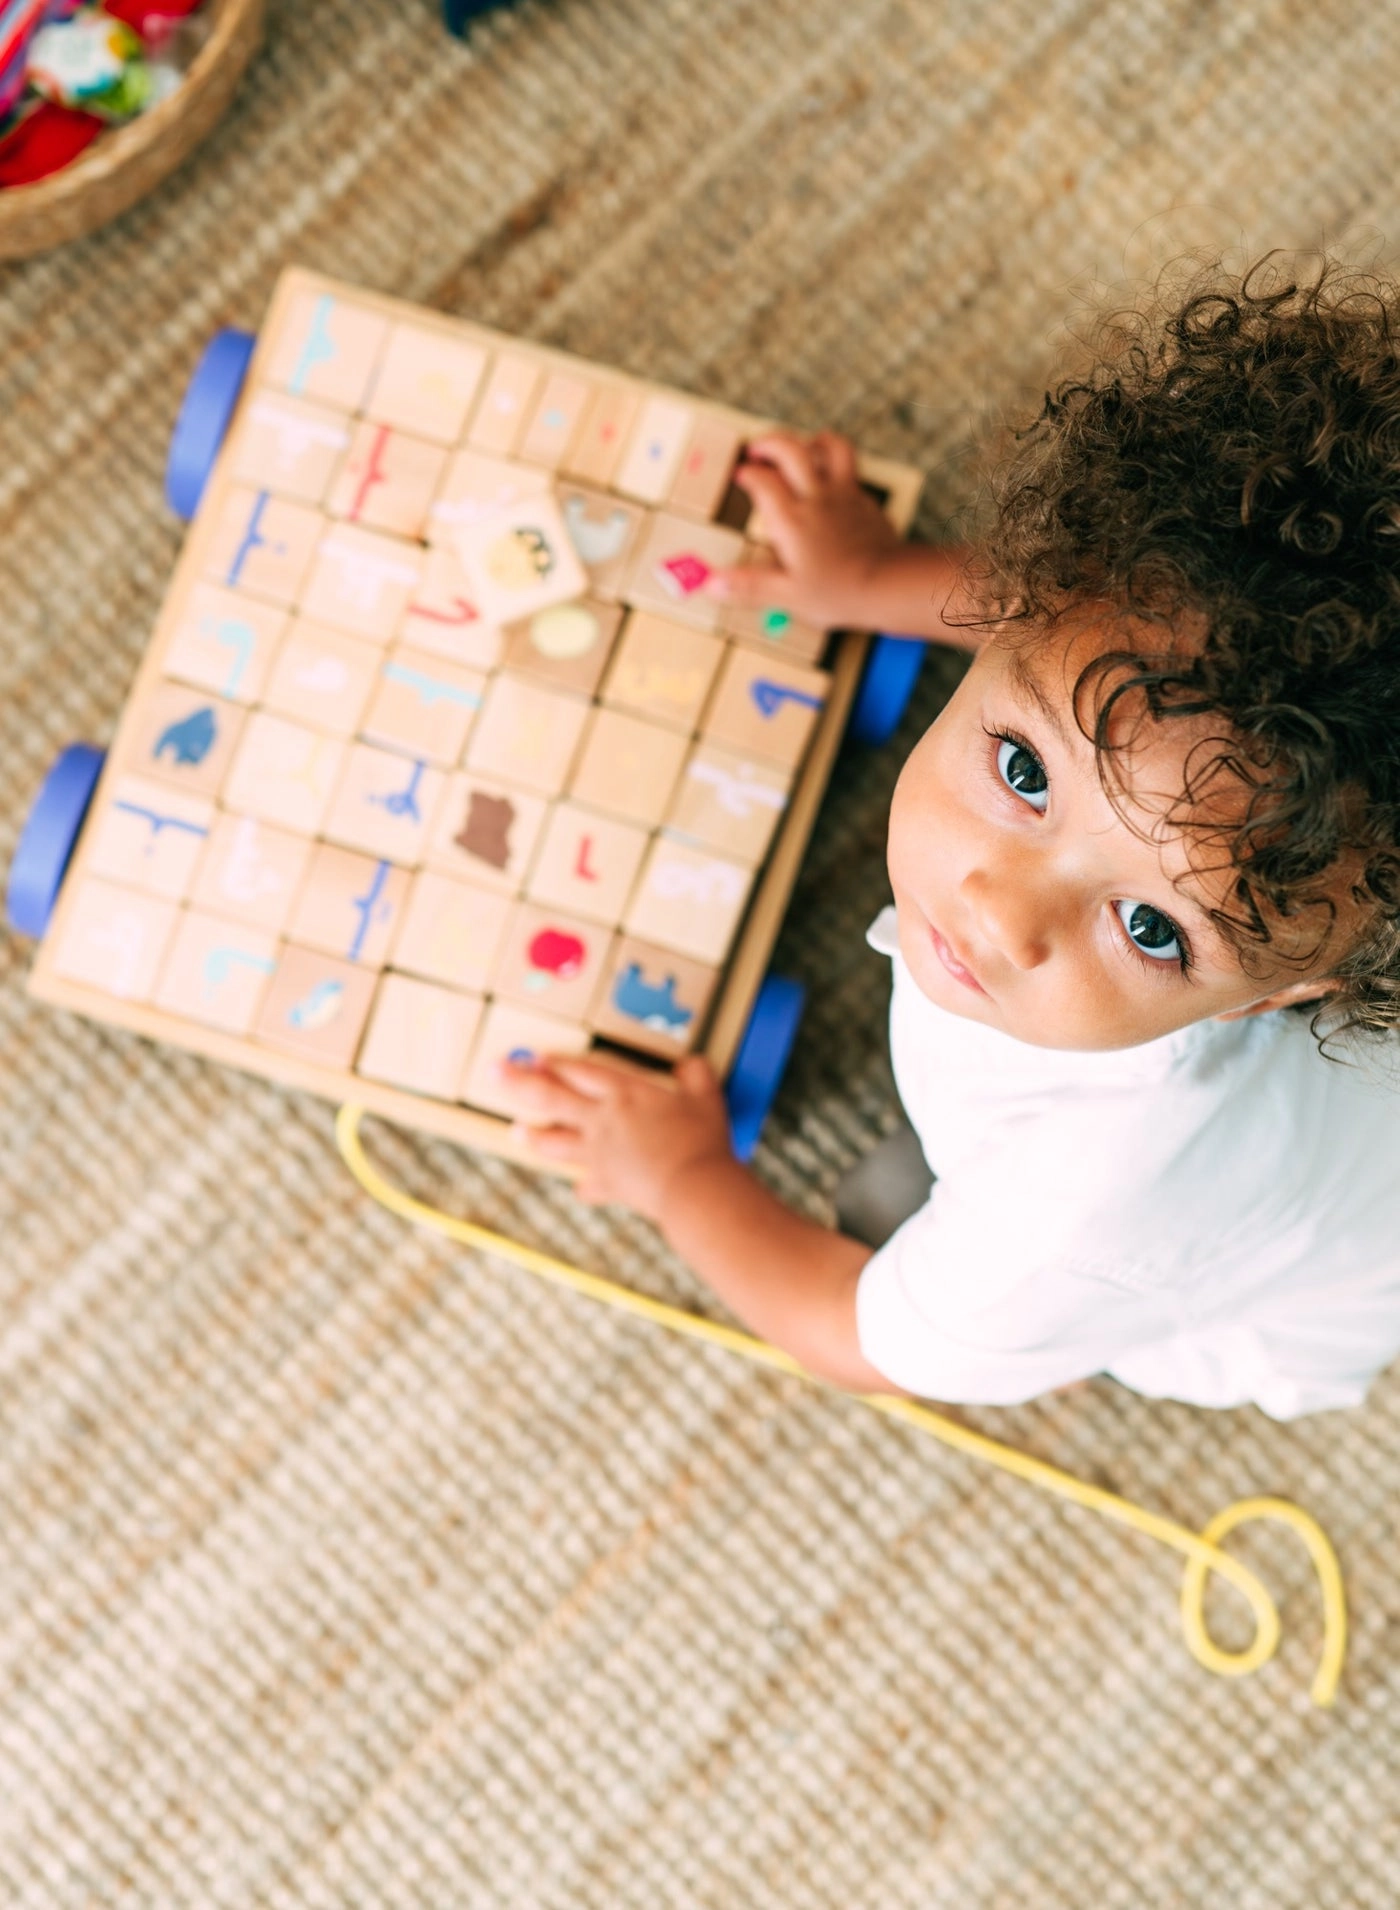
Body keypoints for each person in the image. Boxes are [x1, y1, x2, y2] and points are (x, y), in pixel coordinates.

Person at [499, 258, 1400, 1419]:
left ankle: (1034, 1311)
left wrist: (682, 1174)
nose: (998, 913)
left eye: (1148, 925)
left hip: (1229, 1287)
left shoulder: (1083, 1209)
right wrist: (870, 579)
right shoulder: (1122, 652)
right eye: (1022, 769)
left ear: (1269, 997)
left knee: (902, 1230)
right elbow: (1084, 630)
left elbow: (860, 1334)